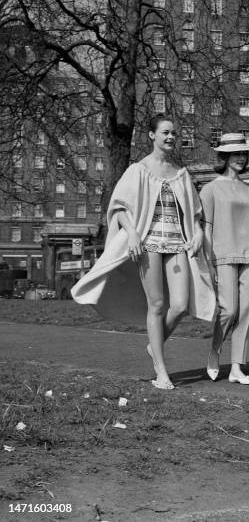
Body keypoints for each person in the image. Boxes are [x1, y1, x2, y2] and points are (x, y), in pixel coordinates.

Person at [71, 115, 216, 390]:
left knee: (181, 305)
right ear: (152, 135)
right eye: (165, 132)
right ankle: (161, 371)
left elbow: (196, 213)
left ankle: (155, 345)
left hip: (177, 245)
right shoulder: (137, 171)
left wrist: (197, 233)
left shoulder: (181, 174)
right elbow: (119, 208)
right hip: (148, 244)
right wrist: (133, 233)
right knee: (158, 305)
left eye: (174, 133)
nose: (171, 137)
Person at [200, 133, 249, 385]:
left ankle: (237, 367)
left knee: (246, 312)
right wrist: (207, 261)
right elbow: (206, 227)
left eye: (244, 153)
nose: (241, 158)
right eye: (236, 153)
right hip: (223, 254)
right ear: (224, 156)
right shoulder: (210, 189)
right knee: (229, 310)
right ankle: (215, 350)